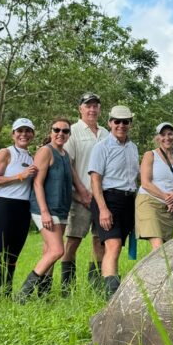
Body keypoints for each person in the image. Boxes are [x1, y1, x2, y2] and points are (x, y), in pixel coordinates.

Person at [17, 118, 76, 301]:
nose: (60, 133)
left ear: (69, 135)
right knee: (57, 251)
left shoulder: (65, 155)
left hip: (62, 209)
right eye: (56, 129)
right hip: (45, 209)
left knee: (49, 251)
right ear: (50, 131)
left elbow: (73, 183)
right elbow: (37, 183)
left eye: (65, 131)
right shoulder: (45, 151)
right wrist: (44, 212)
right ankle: (23, 294)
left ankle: (43, 294)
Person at [0, 117, 38, 297]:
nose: (24, 134)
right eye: (20, 131)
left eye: (27, 131)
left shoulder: (32, 157)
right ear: (13, 134)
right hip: (5, 205)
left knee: (13, 255)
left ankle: (6, 293)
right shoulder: (6, 152)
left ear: (32, 134)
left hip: (23, 209)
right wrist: (20, 176)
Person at [61, 92, 110, 294]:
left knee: (100, 241)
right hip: (79, 197)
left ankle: (96, 286)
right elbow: (68, 163)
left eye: (95, 106)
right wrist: (81, 191)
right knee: (73, 240)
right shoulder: (72, 131)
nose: (92, 109)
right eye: (87, 106)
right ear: (80, 109)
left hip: (102, 198)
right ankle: (67, 287)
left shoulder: (106, 133)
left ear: (99, 109)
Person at [89, 104, 140, 296]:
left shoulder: (133, 147)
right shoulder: (102, 147)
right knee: (113, 245)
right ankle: (111, 294)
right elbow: (95, 179)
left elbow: (134, 178)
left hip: (128, 200)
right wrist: (102, 209)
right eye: (117, 121)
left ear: (130, 123)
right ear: (110, 122)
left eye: (125, 121)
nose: (121, 125)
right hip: (108, 198)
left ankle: (106, 288)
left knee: (116, 246)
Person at [136, 122, 173, 248]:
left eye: (170, 134)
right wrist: (167, 198)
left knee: (165, 248)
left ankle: (152, 268)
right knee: (158, 247)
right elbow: (146, 183)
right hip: (150, 202)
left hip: (169, 208)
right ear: (158, 138)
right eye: (163, 135)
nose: (167, 138)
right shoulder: (150, 155)